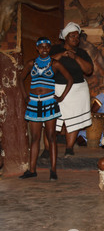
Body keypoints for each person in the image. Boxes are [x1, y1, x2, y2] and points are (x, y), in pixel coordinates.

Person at [19, 37, 73, 180]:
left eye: (47, 47)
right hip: (34, 103)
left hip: (49, 102)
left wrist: (61, 97)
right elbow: (20, 78)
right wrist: (25, 96)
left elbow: (70, 79)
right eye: (41, 47)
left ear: (50, 49)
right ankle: (32, 170)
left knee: (51, 137)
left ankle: (53, 170)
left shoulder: (54, 64)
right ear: (37, 48)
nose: (44, 49)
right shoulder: (31, 63)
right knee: (35, 138)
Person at [49, 22, 93, 157]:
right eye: (72, 36)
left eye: (77, 36)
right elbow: (45, 64)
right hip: (56, 88)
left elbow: (89, 70)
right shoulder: (55, 49)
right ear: (65, 37)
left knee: (73, 120)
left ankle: (69, 148)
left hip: (77, 90)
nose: (76, 39)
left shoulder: (81, 53)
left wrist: (76, 57)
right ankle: (47, 149)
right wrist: (62, 54)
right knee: (52, 120)